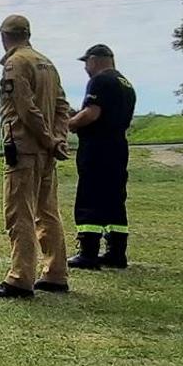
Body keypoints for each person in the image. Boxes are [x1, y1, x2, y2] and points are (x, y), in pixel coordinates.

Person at [0, 15, 73, 299]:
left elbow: (25, 108)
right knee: (47, 211)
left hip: (23, 148)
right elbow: (62, 106)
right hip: (46, 152)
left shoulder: (15, 63)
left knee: (19, 213)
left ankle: (20, 277)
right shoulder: (47, 63)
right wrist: (58, 139)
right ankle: (55, 272)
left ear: (4, 36)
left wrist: (47, 139)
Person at [65, 45, 137, 269]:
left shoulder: (99, 81)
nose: (86, 68)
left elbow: (92, 114)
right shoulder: (126, 84)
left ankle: (88, 252)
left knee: (90, 196)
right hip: (118, 146)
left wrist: (71, 123)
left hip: (97, 147)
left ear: (95, 60)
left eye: (86, 62)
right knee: (115, 198)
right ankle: (117, 252)